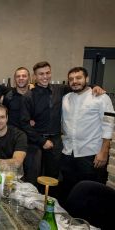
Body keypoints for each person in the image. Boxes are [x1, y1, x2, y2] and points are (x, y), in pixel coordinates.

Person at [21, 61, 105, 181]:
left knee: (53, 177)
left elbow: (78, 86)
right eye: (41, 74)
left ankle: (49, 199)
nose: (45, 76)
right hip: (35, 141)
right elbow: (24, 123)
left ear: (51, 73)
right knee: (33, 175)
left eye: (47, 73)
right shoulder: (28, 96)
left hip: (56, 141)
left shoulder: (60, 89)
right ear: (35, 76)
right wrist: (41, 141)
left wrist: (95, 86)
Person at [60, 67, 114, 201]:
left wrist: (104, 152)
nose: (74, 81)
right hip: (68, 153)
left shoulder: (101, 97)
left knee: (90, 194)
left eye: (78, 78)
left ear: (87, 79)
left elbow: (109, 124)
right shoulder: (66, 98)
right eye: (71, 79)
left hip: (90, 154)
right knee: (69, 190)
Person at [2, 67, 41, 185]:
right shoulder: (8, 96)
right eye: (18, 76)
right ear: (14, 79)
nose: (21, 78)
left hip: (32, 142)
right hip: (14, 142)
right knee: (12, 178)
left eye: (24, 76)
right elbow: (4, 116)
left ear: (29, 78)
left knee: (31, 178)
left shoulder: (36, 95)